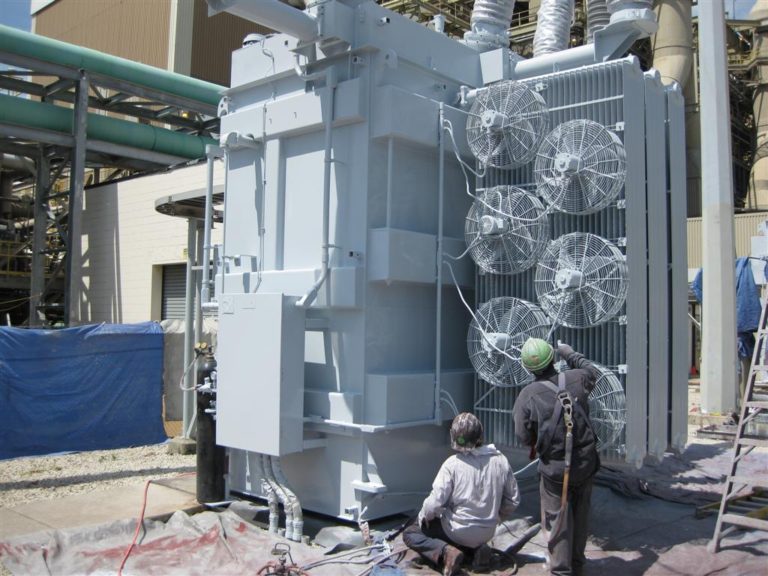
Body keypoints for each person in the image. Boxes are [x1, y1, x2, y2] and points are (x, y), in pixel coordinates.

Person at [513, 338, 600, 576]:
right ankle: (578, 566)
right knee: (580, 517)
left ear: (528, 368)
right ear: (553, 358)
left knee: (558, 521)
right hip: (585, 464)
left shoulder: (527, 396)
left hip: (555, 472)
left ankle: (562, 571)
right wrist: (569, 353)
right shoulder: (577, 378)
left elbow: (523, 435)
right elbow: (592, 372)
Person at [403, 412, 520, 576]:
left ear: (455, 437)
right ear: (480, 434)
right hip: (487, 532)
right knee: (461, 534)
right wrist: (496, 518)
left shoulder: (452, 465)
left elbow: (433, 505)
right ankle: (478, 551)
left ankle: (446, 552)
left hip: (456, 532)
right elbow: (513, 500)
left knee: (411, 531)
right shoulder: (501, 460)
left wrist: (424, 518)